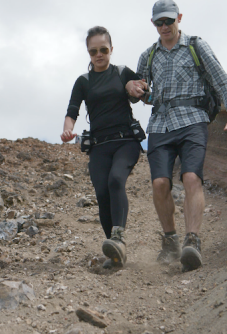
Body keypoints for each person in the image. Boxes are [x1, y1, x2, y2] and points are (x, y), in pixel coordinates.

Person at [125, 0, 227, 272]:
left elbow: (223, 82)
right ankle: (171, 241)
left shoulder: (196, 46)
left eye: (169, 20)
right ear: (153, 24)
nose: (165, 26)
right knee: (159, 184)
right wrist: (131, 88)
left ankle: (193, 241)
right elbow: (138, 95)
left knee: (191, 177)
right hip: (160, 125)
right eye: (159, 22)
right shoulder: (148, 56)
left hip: (193, 120)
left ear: (179, 17)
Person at [61, 26, 143, 269]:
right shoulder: (83, 82)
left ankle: (118, 238)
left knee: (116, 180)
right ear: (88, 52)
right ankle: (115, 252)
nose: (99, 54)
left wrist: (137, 89)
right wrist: (67, 129)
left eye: (103, 50)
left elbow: (141, 91)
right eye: (93, 51)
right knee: (101, 194)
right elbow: (72, 112)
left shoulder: (122, 72)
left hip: (126, 141)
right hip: (99, 146)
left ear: (111, 50)